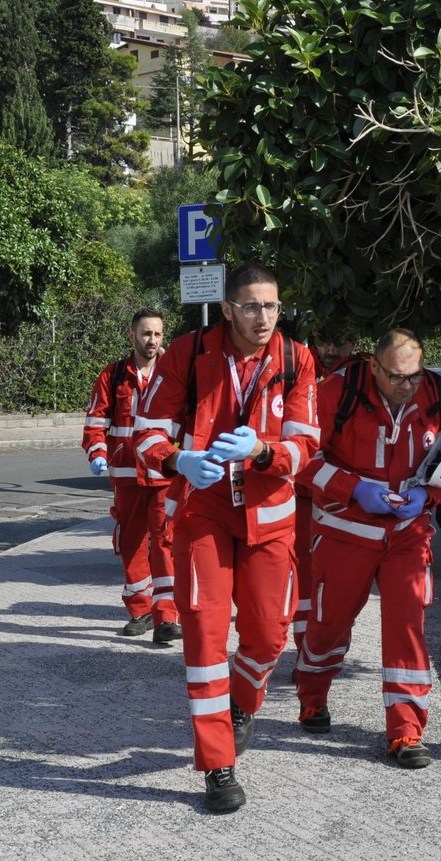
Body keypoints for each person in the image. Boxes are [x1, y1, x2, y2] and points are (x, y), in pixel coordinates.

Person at [133, 264, 319, 813]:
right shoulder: (187, 355)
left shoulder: (295, 358)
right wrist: (180, 460)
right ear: (229, 308)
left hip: (269, 512)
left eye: (273, 306)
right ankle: (217, 764)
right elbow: (147, 434)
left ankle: (243, 702)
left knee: (268, 635)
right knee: (206, 640)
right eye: (253, 307)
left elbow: (306, 445)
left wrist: (262, 452)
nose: (264, 317)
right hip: (203, 512)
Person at [296, 328, 441, 769]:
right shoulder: (335, 392)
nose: (405, 386)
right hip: (344, 531)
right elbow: (302, 459)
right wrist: (355, 489)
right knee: (329, 624)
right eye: (395, 376)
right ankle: (312, 695)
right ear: (374, 366)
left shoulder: (438, 395)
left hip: (407, 534)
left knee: (408, 625)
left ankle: (406, 731)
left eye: (413, 375)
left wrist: (428, 498)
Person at [82, 308, 181, 644]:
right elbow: (96, 422)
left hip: (164, 474)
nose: (151, 340)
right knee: (130, 543)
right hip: (126, 475)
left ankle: (167, 614)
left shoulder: (175, 375)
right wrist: (97, 453)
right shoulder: (113, 376)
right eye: (145, 334)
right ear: (132, 336)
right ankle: (140, 610)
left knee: (165, 541)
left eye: (156, 334)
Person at [290, 331, 361, 665]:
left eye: (341, 340)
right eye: (325, 340)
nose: (333, 348)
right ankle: (306, 649)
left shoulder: (362, 375)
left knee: (337, 580)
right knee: (305, 578)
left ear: (355, 338)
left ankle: (331, 643)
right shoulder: (299, 367)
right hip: (301, 493)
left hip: (342, 497)